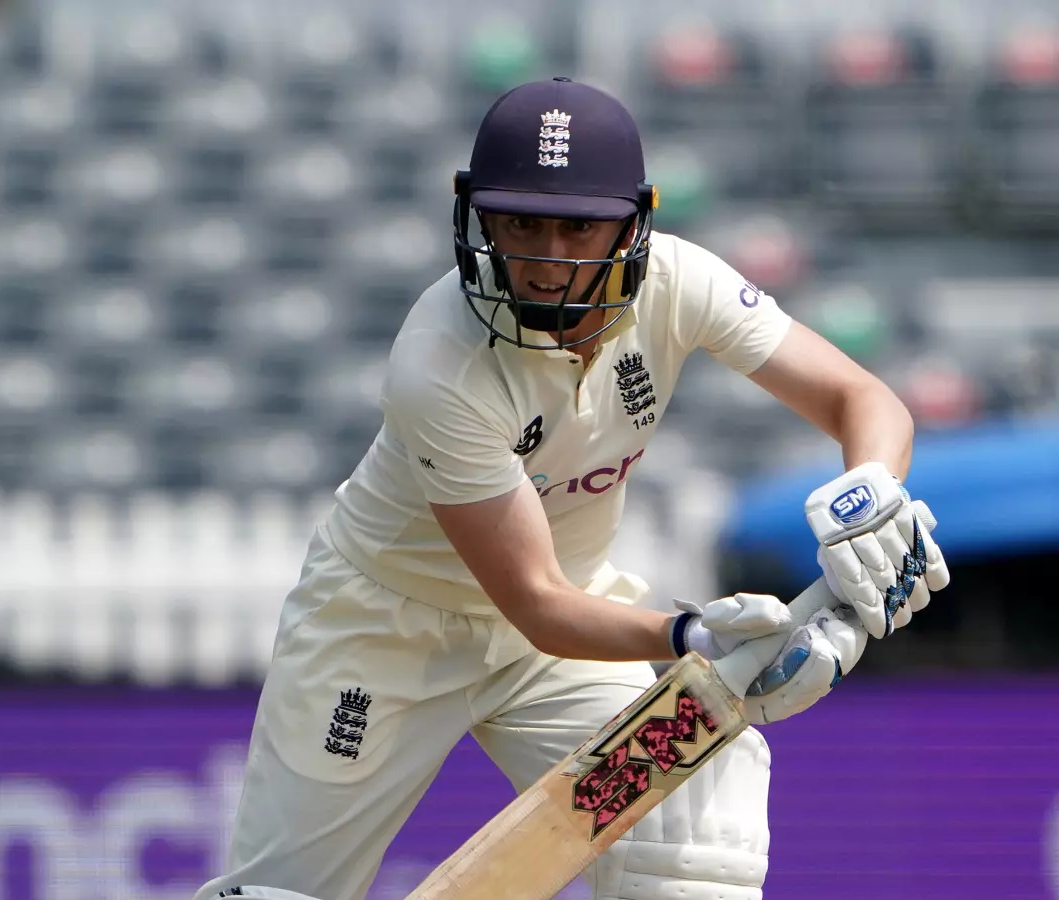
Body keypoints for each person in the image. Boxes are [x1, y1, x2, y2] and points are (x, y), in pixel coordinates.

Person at [192, 77, 949, 900]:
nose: (550, 258)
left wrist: (872, 495)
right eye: (521, 223)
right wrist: (691, 635)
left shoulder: (680, 281)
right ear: (479, 218)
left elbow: (861, 400)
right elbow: (535, 601)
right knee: (280, 896)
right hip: (383, 631)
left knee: (699, 806)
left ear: (634, 221)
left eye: (580, 226)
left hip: (558, 649)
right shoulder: (438, 362)